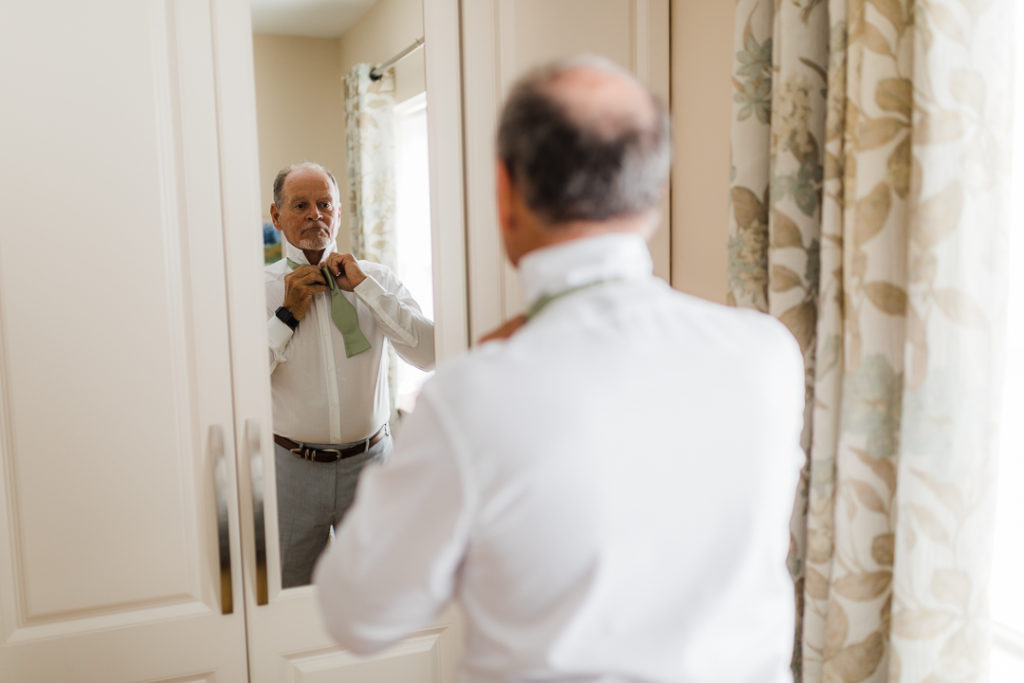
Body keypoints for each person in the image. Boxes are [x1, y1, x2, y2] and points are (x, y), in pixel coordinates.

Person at [314, 56, 804, 682]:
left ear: (504, 194)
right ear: (655, 190)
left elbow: (357, 613)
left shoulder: (474, 399)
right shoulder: (767, 355)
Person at [265, 161, 434, 588]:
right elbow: (237, 380)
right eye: (300, 205)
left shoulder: (377, 280)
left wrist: (368, 291)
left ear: (339, 213)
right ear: (276, 216)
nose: (314, 215)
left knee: (384, 588)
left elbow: (430, 353)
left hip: (373, 466)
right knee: (293, 596)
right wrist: (286, 316)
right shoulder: (254, 289)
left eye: (325, 204)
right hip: (290, 473)